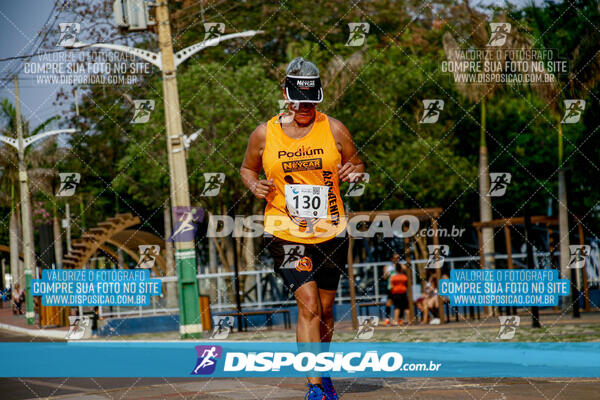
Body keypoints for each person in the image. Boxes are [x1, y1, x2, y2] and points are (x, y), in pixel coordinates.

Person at [241, 57, 364, 400]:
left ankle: (323, 373)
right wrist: (255, 187)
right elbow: (247, 169)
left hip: (331, 230)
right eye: (299, 100)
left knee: (325, 310)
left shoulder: (334, 128)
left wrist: (355, 171)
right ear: (285, 95)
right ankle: (313, 386)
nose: (305, 107)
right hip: (284, 229)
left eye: (311, 101)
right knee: (308, 304)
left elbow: (356, 160)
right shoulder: (265, 133)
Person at [382, 253, 401, 325]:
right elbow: (384, 277)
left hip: (399, 287)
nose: (397, 259)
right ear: (392, 259)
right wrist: (387, 274)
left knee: (398, 303)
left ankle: (398, 319)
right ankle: (387, 319)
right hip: (391, 287)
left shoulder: (401, 266)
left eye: (398, 258)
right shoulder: (388, 266)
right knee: (389, 302)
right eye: (395, 258)